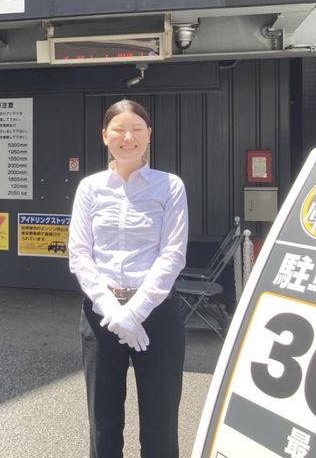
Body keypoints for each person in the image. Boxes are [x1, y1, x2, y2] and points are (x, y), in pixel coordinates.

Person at [68, 98, 188, 458]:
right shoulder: (90, 188)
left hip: (157, 313)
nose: (128, 137)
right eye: (118, 130)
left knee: (161, 421)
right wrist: (112, 309)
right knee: (102, 421)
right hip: (101, 315)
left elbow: (173, 254)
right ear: (105, 136)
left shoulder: (169, 186)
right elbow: (80, 254)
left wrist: (135, 311)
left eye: (136, 129)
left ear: (149, 134)